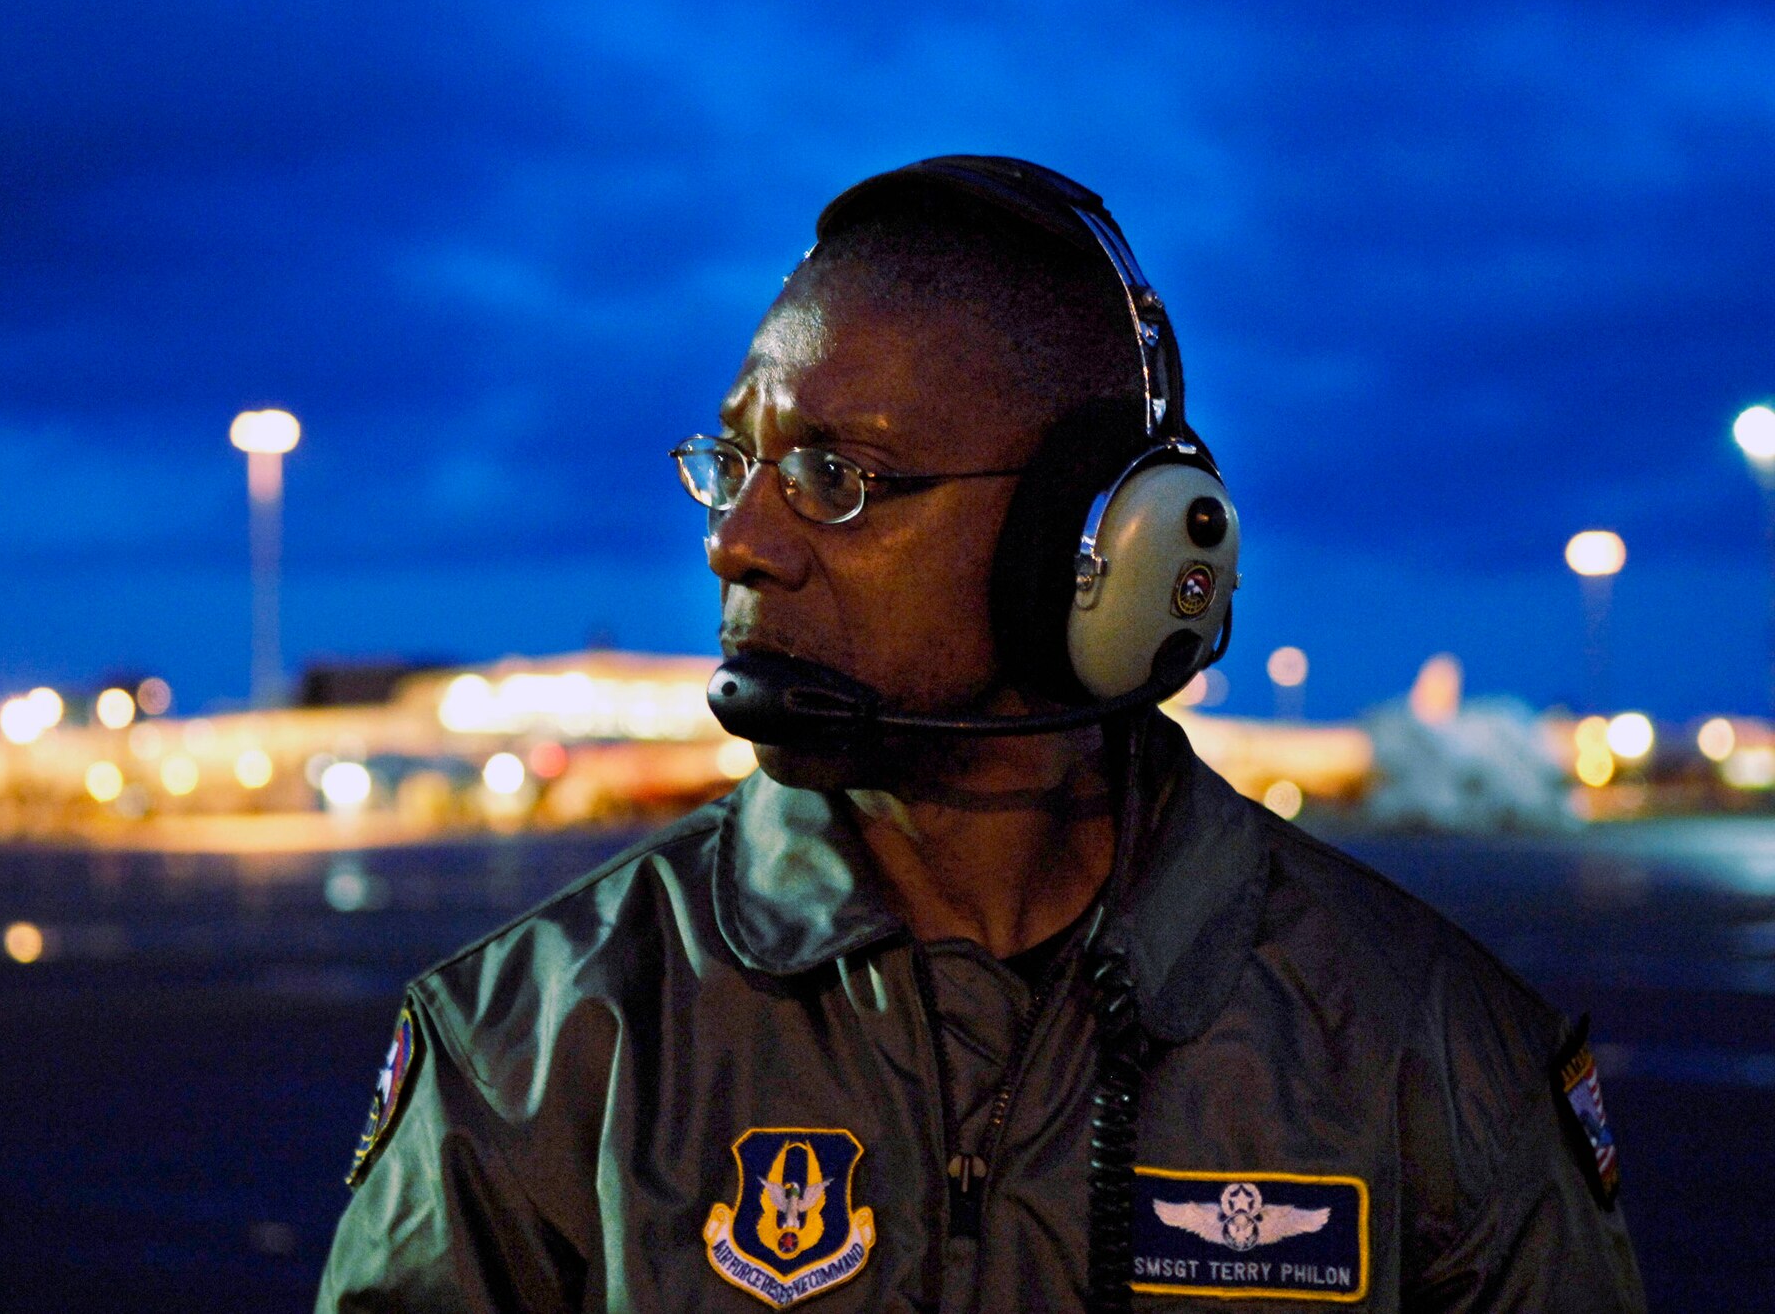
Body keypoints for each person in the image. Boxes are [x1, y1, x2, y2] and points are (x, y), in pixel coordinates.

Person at [316, 156, 1645, 1311]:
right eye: (735, 463)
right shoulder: (538, 1044)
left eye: (837, 477)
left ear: (1097, 549)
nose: (739, 539)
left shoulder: (1430, 1051)